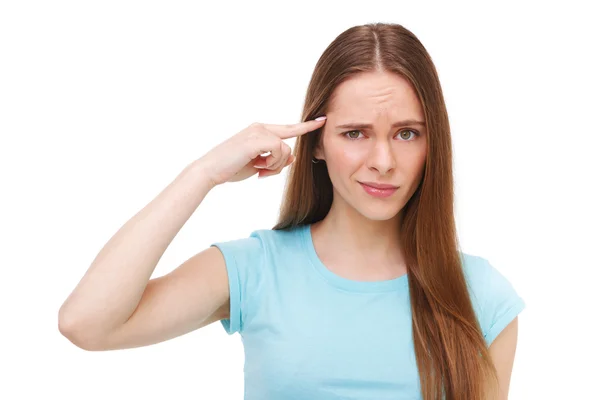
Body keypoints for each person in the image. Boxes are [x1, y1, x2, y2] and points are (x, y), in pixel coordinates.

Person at [58, 22, 526, 400]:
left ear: (433, 143)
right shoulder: (256, 269)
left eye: (407, 133)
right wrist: (203, 174)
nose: (383, 161)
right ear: (316, 142)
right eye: (355, 133)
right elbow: (86, 323)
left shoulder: (481, 295)